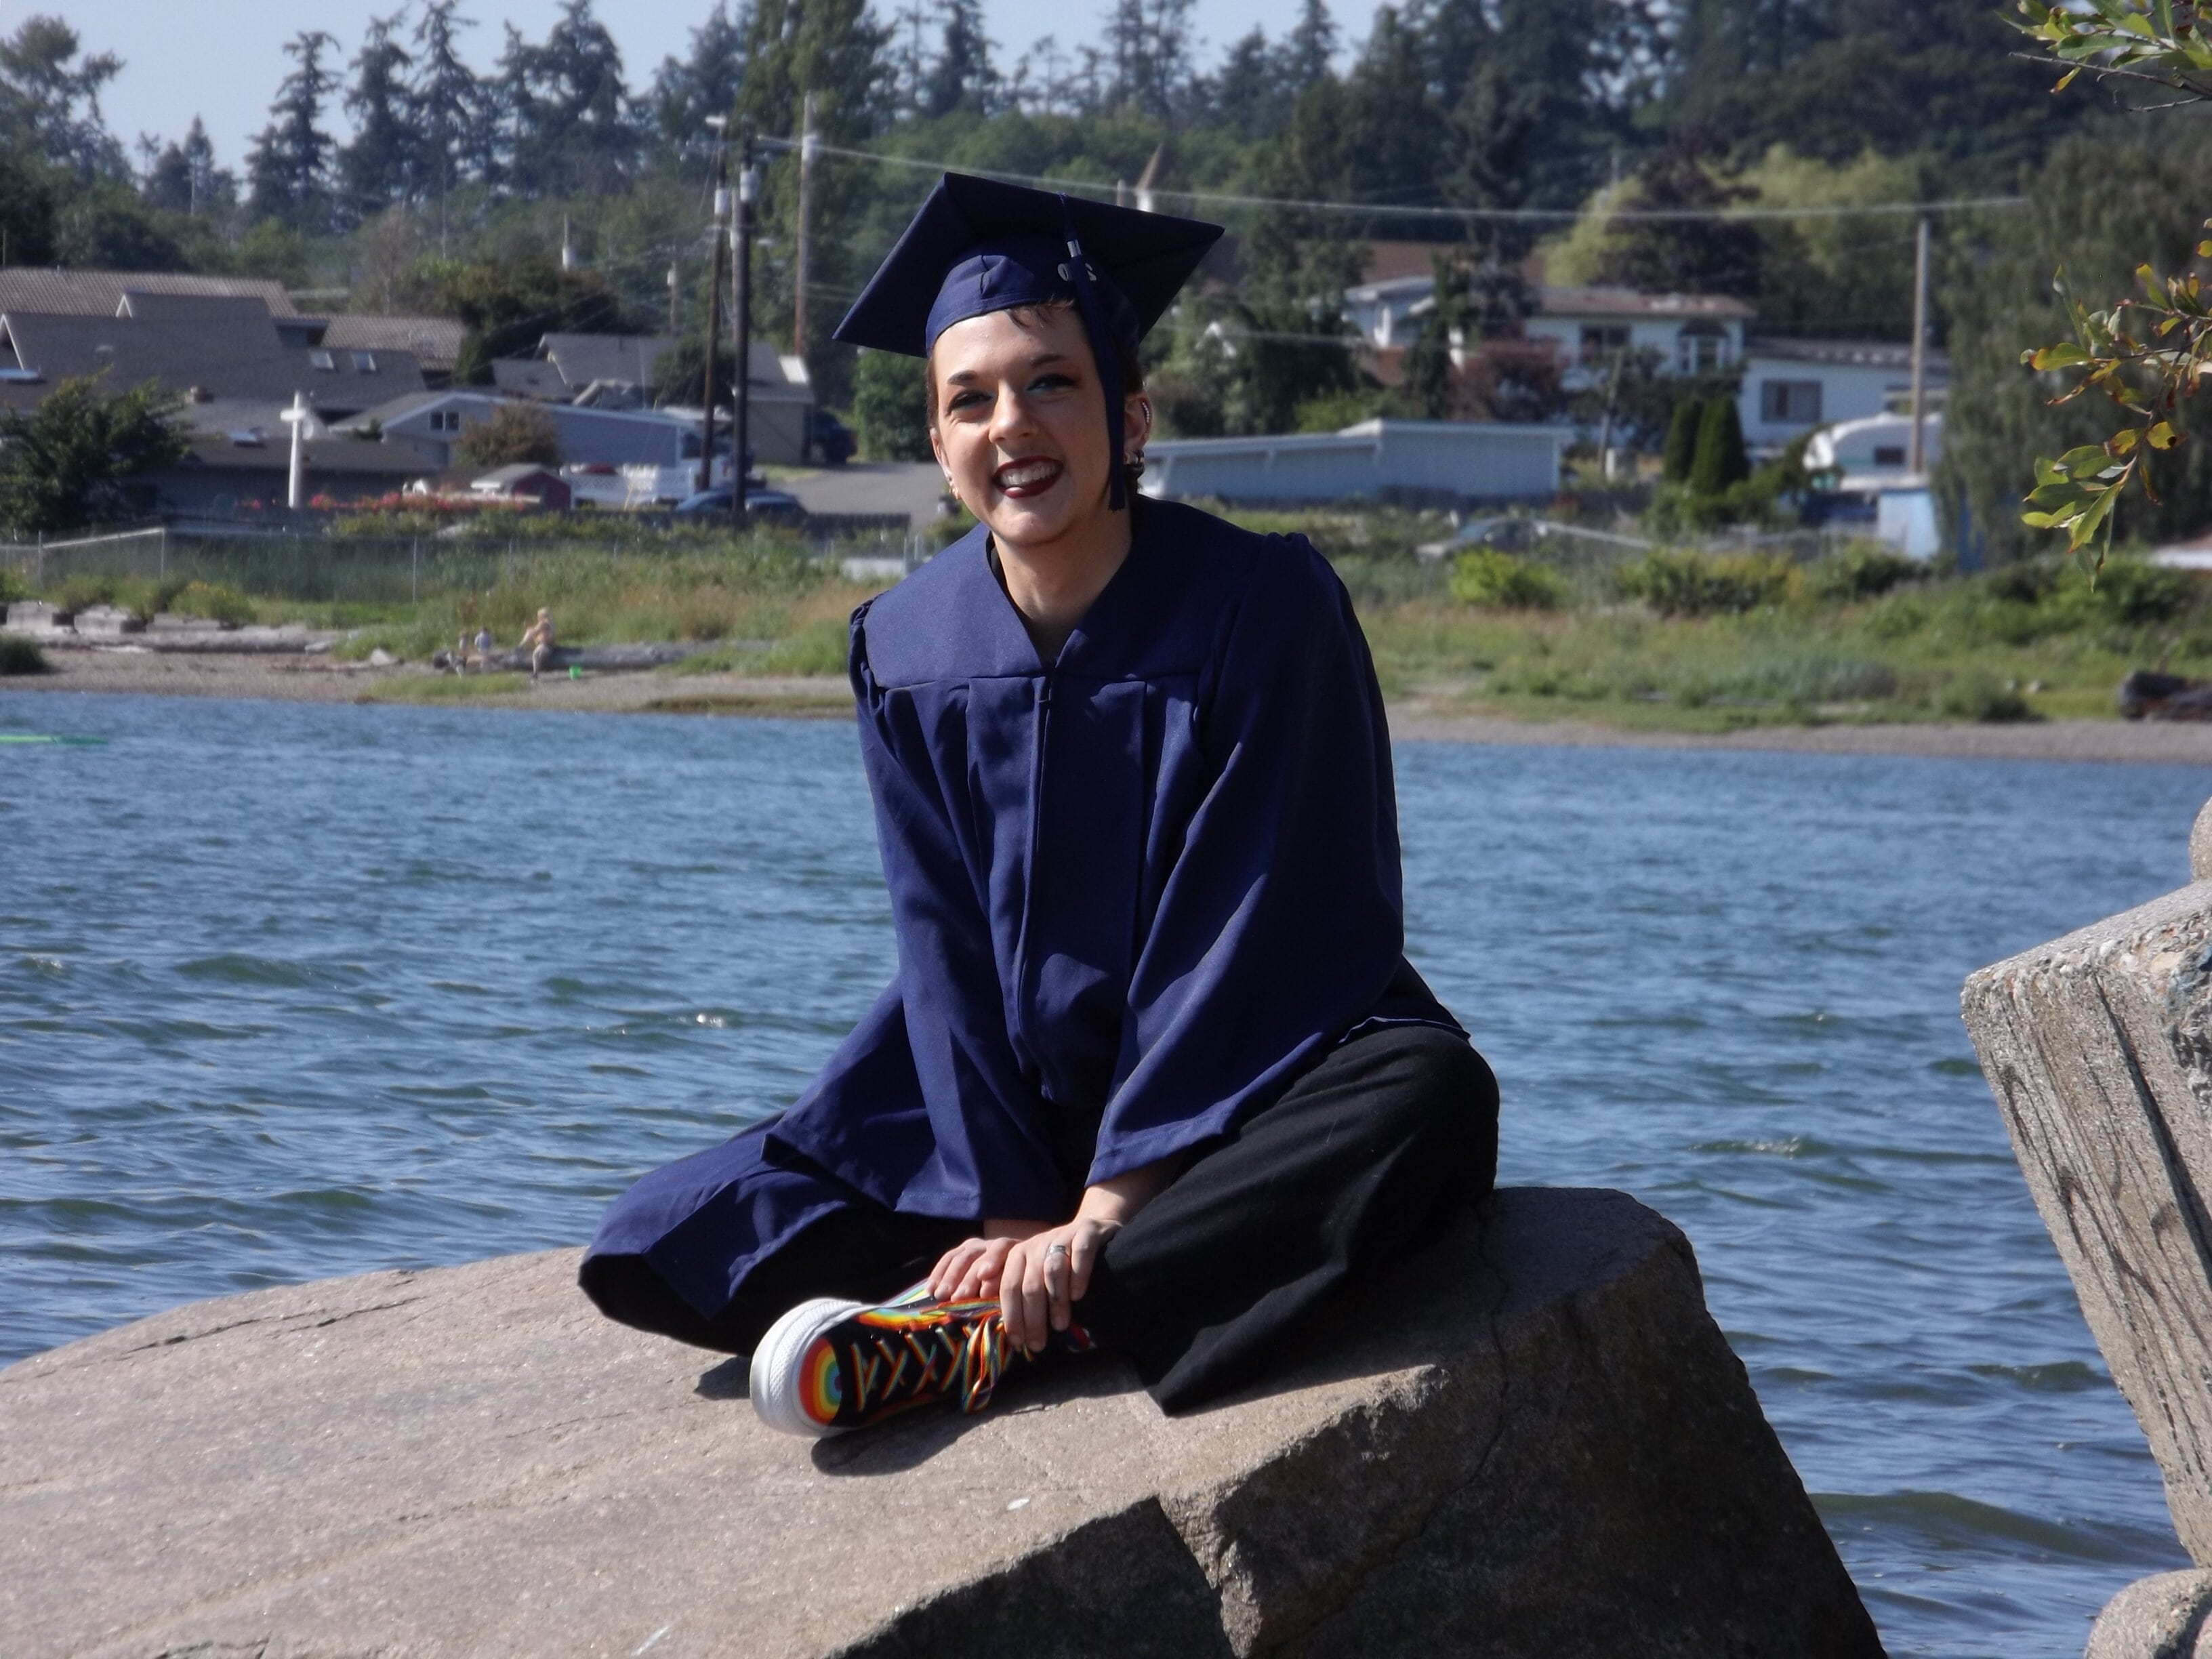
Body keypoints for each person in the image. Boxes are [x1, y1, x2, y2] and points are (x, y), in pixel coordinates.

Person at [580, 173, 1498, 1438]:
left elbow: (1267, 913)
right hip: (1019, 1093)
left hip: (1253, 1072)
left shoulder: (1262, 606)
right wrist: (1012, 1210)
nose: (1010, 423)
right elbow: (940, 941)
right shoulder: (903, 645)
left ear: (1128, 414)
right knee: (666, 1238)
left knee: (1427, 1101)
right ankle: (1039, 1293)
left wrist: (1110, 1202)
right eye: (970, 399)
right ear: (939, 442)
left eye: (1049, 382)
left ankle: (1012, 1319)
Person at [518, 609, 555, 683]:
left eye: (538, 616)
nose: (537, 618)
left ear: (541, 616)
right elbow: (537, 633)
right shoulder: (550, 623)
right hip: (546, 645)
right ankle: (521, 646)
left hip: (546, 646)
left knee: (536, 655)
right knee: (530, 632)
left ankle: (536, 674)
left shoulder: (544, 623)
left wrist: (528, 630)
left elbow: (535, 632)